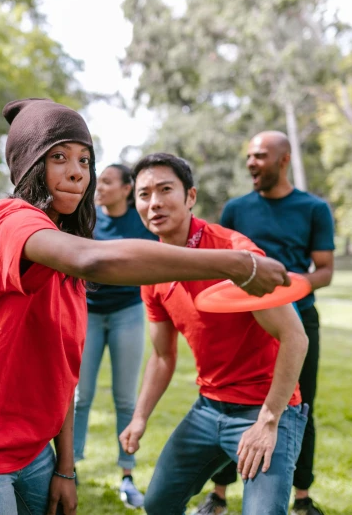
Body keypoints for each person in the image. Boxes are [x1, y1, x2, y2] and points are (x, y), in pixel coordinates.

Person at [0, 98, 291, 515]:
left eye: (85, 159)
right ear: (28, 165)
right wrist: (234, 264)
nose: (77, 171)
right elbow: (94, 259)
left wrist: (65, 467)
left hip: (34, 451)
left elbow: (61, 371)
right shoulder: (12, 222)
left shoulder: (62, 256)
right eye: (58, 157)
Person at [119, 153, 310, 515]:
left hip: (266, 409)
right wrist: (140, 417)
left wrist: (267, 421)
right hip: (209, 407)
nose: (154, 202)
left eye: (165, 189)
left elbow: (295, 337)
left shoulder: (236, 255)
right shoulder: (152, 270)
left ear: (191, 197)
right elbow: (162, 355)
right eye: (144, 194)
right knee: (158, 505)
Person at [203, 131, 334, 515]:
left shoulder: (314, 208)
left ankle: (303, 497)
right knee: (233, 403)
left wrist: (287, 289)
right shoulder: (236, 209)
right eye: (249, 156)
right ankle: (220, 494)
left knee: (300, 405)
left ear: (284, 159)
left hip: (298, 320)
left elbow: (324, 269)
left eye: (260, 156)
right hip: (243, 324)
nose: (251, 163)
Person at [73, 163, 157, 509]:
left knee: (125, 399)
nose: (99, 187)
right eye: (99, 182)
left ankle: (127, 476)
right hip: (88, 313)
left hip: (127, 313)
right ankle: (69, 469)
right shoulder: (85, 217)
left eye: (107, 182)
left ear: (126, 188)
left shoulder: (141, 222)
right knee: (80, 396)